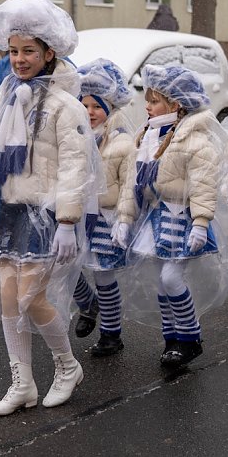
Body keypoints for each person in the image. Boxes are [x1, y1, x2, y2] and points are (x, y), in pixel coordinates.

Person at [0, 0, 99, 416]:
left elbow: (76, 166)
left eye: (29, 51)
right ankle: (22, 383)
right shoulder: (9, 95)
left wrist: (67, 220)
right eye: (13, 51)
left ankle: (67, 366)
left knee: (31, 298)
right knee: (8, 297)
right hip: (8, 211)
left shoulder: (65, 105)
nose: (19, 59)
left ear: (49, 53)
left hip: (44, 214)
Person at [112, 65, 228, 370]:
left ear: (176, 104)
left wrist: (201, 222)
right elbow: (132, 182)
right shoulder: (148, 136)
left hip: (181, 218)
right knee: (160, 281)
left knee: (171, 277)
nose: (147, 106)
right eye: (148, 100)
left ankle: (190, 337)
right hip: (155, 217)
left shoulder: (195, 140)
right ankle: (172, 338)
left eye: (154, 101)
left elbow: (204, 185)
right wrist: (125, 217)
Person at [71, 59, 135, 356]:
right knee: (63, 265)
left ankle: (111, 333)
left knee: (104, 275)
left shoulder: (123, 144)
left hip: (106, 218)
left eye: (97, 106)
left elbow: (129, 185)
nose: (90, 112)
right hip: (77, 216)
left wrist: (124, 218)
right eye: (84, 105)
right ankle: (88, 303)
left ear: (110, 107)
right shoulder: (74, 138)